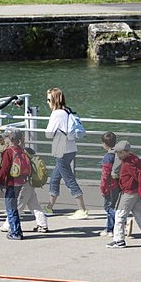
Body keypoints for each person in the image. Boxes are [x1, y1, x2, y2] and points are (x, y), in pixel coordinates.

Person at [44, 87, 87, 219]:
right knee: (55, 179)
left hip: (61, 150)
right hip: (70, 149)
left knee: (69, 180)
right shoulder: (67, 110)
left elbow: (48, 134)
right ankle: (49, 207)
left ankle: (82, 210)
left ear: (54, 100)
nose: (47, 102)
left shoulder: (56, 113)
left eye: (48, 99)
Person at [108, 141, 141, 249]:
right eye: (117, 153)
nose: (118, 155)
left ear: (126, 152)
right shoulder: (134, 159)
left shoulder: (128, 163)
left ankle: (119, 240)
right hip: (136, 192)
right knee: (138, 214)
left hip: (130, 192)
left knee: (120, 214)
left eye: (120, 153)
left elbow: (138, 176)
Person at [0, 128, 32, 240]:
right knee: (13, 206)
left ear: (10, 139)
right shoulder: (21, 150)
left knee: (11, 209)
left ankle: (16, 232)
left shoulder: (9, 152)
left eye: (6, 137)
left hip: (11, 182)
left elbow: (4, 169)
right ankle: (16, 230)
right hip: (20, 181)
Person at [99, 131, 119, 238]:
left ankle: (116, 226)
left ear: (104, 144)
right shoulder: (118, 154)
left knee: (109, 208)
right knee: (113, 206)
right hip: (118, 185)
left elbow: (105, 175)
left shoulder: (108, 157)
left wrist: (102, 188)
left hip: (109, 186)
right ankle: (111, 228)